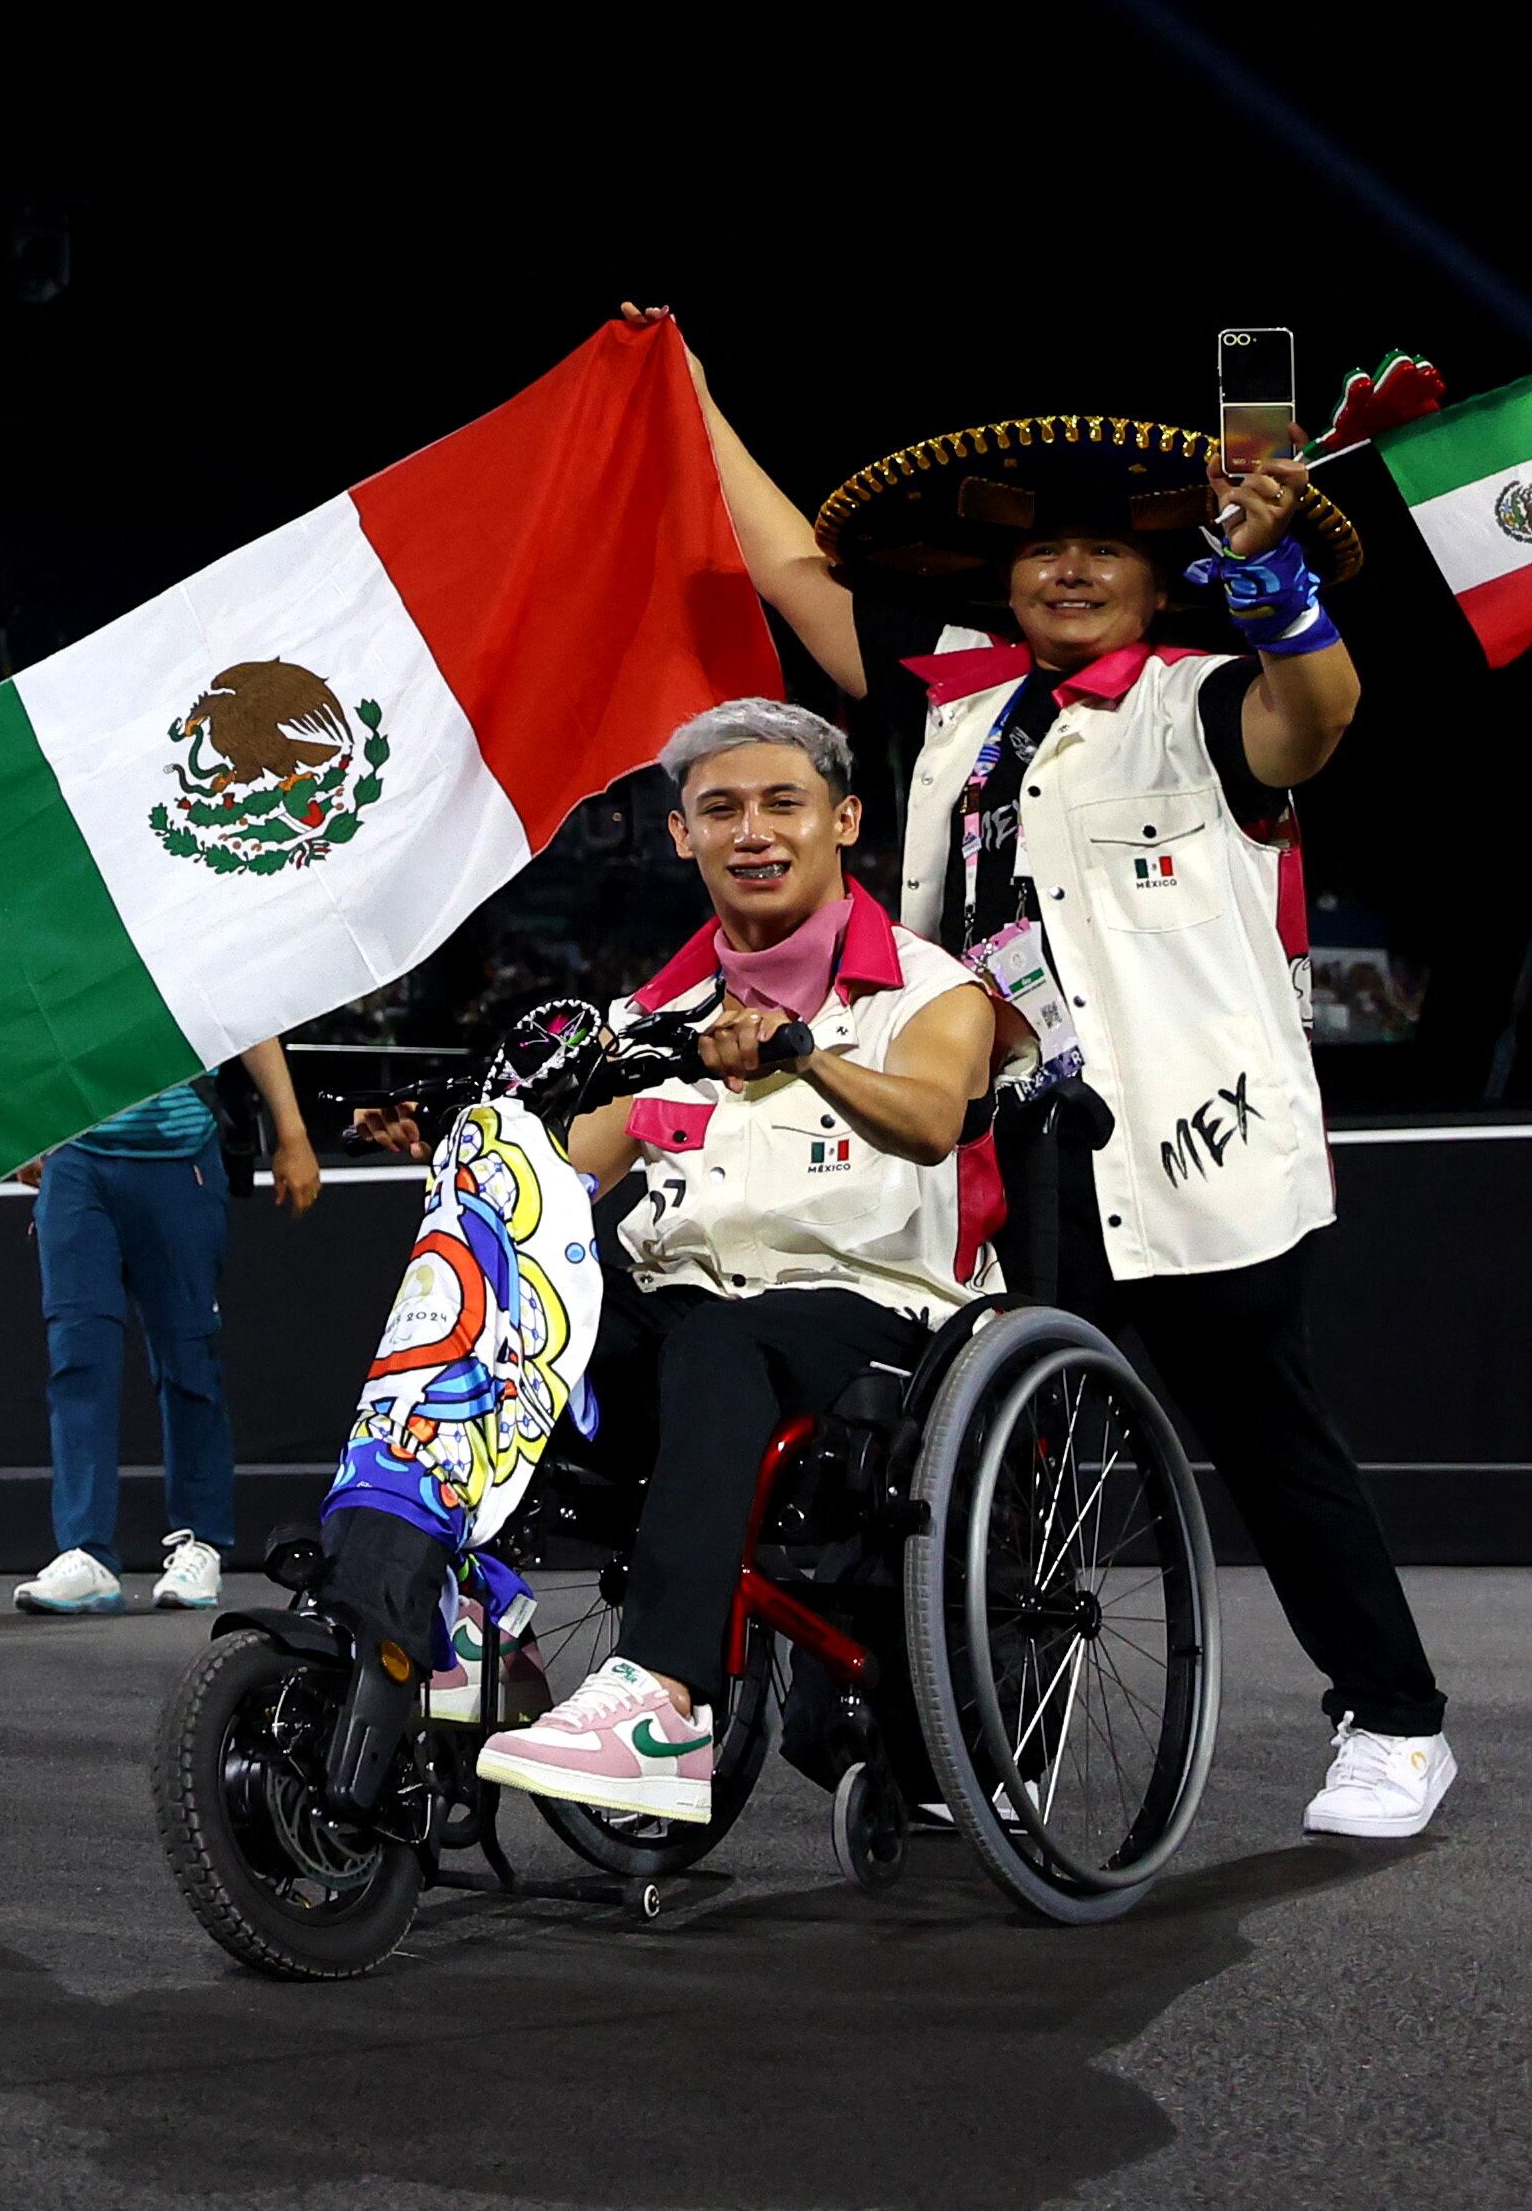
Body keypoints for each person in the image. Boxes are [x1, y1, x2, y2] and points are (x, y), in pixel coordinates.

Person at [688, 346, 1458, 1838]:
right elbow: (785, 563)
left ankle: (1392, 1722)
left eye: (1102, 546)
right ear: (1004, 573)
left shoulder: (1205, 701)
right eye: (1040, 546)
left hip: (1190, 1160)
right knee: (983, 1465)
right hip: (992, 1170)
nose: (1066, 567)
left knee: (1269, 1438)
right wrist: (688, 391)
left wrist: (1273, 582)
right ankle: (991, 1744)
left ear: (1153, 575)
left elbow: (1322, 712)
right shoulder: (943, 705)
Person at [459, 699, 994, 1820]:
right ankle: (469, 1621)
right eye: (722, 809)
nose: (752, 830)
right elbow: (568, 1166)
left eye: (782, 803)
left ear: (843, 818)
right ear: (680, 836)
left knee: (716, 1332)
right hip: (692, 1317)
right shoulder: (653, 1012)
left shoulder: (931, 989)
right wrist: (480, 1135)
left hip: (872, 1317)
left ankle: (663, 1699)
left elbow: (937, 1121)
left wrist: (802, 1052)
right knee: (494, 1318)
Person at [5, 1039, 319, 1620]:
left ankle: (200, 1543)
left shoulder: (191, 942)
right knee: (77, 1355)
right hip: (77, 1158)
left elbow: (248, 1020)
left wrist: (292, 1135)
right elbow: (35, 1021)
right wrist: (30, 1123)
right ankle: (84, 1550)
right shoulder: (67, 945)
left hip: (180, 1162)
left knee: (188, 1357)